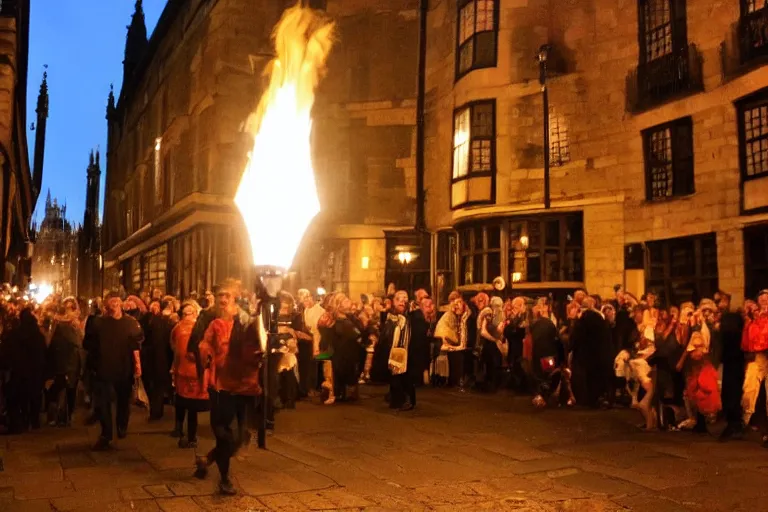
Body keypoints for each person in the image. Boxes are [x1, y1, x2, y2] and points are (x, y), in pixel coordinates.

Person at [195, 283, 263, 495]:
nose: (222, 299)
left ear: (235, 298)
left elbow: (258, 345)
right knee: (223, 434)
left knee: (240, 436)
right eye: (219, 295)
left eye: (227, 295)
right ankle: (224, 479)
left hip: (244, 385)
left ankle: (207, 459)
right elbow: (203, 346)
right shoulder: (213, 322)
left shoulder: (245, 322)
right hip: (221, 386)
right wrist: (206, 360)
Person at [84, 292, 144, 450]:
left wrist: (137, 365)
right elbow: (88, 344)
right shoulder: (98, 323)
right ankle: (106, 434)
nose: (115, 303)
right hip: (103, 368)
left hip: (124, 368)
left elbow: (136, 344)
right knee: (103, 403)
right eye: (112, 301)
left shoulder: (130, 323)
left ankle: (121, 426)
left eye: (117, 300)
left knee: (123, 401)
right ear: (106, 304)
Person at [170, 301, 209, 448]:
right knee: (188, 405)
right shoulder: (196, 329)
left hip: (186, 371)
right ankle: (188, 435)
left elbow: (173, 346)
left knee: (184, 404)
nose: (188, 316)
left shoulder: (179, 328)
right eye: (186, 313)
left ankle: (183, 432)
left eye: (189, 313)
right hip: (189, 372)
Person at [45, 301, 83, 426]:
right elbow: (55, 345)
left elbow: (81, 345)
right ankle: (57, 415)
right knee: (59, 389)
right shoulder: (62, 326)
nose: (71, 312)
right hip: (65, 363)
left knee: (70, 390)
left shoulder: (77, 327)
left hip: (73, 363)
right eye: (68, 309)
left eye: (72, 308)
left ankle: (67, 415)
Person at [142, 298, 175, 420]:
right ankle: (156, 410)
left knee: (157, 386)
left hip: (158, 358)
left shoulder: (162, 322)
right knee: (157, 386)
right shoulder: (154, 321)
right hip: (157, 357)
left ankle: (156, 410)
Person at [384, 291, 416, 410]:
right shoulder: (391, 317)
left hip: (407, 350)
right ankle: (396, 399)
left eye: (405, 299)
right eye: (399, 299)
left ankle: (408, 400)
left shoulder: (411, 316)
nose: (402, 301)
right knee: (395, 376)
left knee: (405, 377)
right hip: (394, 351)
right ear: (393, 301)